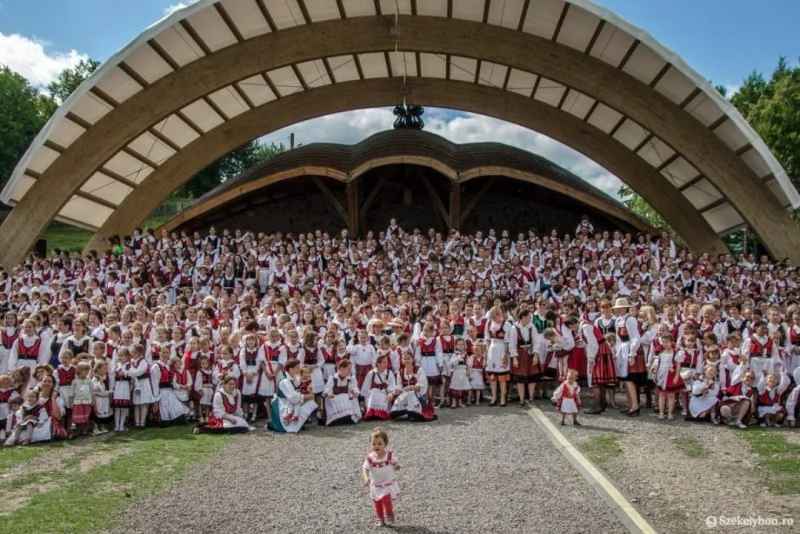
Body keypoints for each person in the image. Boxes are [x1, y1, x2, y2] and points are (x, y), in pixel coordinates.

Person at [362, 427, 401, 528]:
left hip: (387, 484)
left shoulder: (389, 456)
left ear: (385, 444)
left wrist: (397, 465)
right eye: (374, 444)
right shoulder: (370, 458)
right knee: (377, 503)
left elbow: (395, 462)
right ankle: (380, 519)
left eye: (379, 443)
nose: (376, 446)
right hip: (376, 485)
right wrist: (366, 478)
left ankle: (389, 513)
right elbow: (365, 468)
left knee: (386, 500)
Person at [267, 358, 318, 433]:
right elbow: (292, 398)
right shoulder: (285, 381)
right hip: (282, 403)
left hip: (290, 402)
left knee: (309, 401)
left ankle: (299, 423)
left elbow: (299, 388)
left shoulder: (294, 378)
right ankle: (291, 423)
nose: (299, 369)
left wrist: (308, 390)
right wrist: (306, 397)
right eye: (297, 368)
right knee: (304, 401)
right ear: (291, 370)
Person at [391, 352, 436, 422]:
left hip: (419, 394)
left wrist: (412, 387)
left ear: (412, 360)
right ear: (402, 360)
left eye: (408, 359)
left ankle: (415, 412)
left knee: (411, 394)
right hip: (406, 393)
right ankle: (406, 411)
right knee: (398, 404)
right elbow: (399, 385)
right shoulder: (401, 372)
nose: (406, 361)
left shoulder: (419, 370)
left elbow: (423, 385)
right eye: (404, 359)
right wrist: (394, 392)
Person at [651, 332, 682, 421]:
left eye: (667, 342)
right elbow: (658, 365)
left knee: (671, 395)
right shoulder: (661, 353)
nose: (665, 344)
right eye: (663, 342)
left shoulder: (676, 353)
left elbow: (678, 365)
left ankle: (670, 413)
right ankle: (661, 412)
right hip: (662, 375)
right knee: (662, 394)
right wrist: (655, 375)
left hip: (670, 375)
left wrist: (676, 376)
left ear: (672, 342)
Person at [322, 359, 361, 426]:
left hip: (345, 398)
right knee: (329, 399)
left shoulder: (351, 378)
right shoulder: (333, 377)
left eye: (350, 369)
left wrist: (353, 392)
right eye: (348, 369)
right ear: (341, 368)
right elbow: (327, 389)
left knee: (349, 398)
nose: (349, 371)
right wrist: (329, 393)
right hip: (335, 397)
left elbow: (354, 388)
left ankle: (348, 417)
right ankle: (335, 419)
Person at [70, 362, 94, 437]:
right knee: (78, 416)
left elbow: (92, 391)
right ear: (79, 371)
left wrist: (93, 400)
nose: (87, 372)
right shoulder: (75, 381)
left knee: (86, 416)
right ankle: (78, 429)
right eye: (85, 370)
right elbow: (72, 393)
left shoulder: (89, 381)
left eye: (88, 371)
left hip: (87, 401)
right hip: (78, 401)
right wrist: (71, 402)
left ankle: (85, 429)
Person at [448, 338, 471, 408]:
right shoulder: (455, 354)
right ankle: (454, 402)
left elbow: (469, 363)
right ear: (456, 346)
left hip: (463, 372)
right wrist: (458, 357)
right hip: (457, 372)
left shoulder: (466, 355)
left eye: (462, 344)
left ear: (464, 346)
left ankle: (460, 402)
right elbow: (452, 363)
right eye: (459, 344)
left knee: (462, 386)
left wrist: (468, 370)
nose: (460, 346)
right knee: (456, 385)